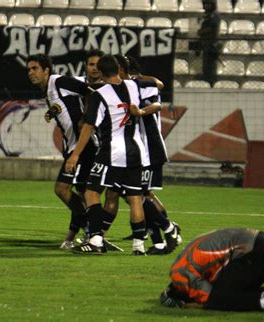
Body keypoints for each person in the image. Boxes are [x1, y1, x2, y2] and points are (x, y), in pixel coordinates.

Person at [65, 55, 163, 255]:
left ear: (100, 73)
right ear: (118, 69)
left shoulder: (100, 94)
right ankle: (139, 246)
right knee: (135, 198)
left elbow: (89, 126)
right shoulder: (134, 85)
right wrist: (141, 111)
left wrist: (75, 154)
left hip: (111, 152)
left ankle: (95, 239)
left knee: (91, 193)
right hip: (136, 151)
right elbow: (158, 85)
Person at [107, 54, 181, 255]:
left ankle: (168, 230)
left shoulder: (142, 84)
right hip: (134, 149)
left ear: (121, 69)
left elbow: (156, 104)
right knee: (138, 194)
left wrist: (139, 112)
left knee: (140, 194)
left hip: (148, 147)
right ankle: (160, 238)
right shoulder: (123, 88)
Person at [159, 228, 264, 312]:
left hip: (253, 250)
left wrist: (190, 306)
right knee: (236, 291)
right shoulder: (184, 262)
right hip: (260, 243)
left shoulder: (180, 274)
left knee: (221, 300)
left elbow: (210, 300)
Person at [27, 54, 96, 250]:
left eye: (35, 68)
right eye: (29, 69)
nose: (31, 73)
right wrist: (52, 112)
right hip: (74, 148)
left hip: (84, 146)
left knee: (63, 189)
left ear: (46, 70)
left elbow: (89, 91)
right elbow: (65, 106)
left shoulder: (59, 81)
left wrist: (86, 116)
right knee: (79, 193)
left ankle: (92, 230)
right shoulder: (48, 91)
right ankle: (84, 233)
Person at [197, 0, 221, 87]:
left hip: (211, 45)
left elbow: (212, 29)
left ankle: (210, 84)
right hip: (206, 44)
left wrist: (201, 31)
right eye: (205, 4)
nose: (206, 6)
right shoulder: (208, 15)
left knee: (210, 67)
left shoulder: (214, 15)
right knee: (206, 66)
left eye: (208, 4)